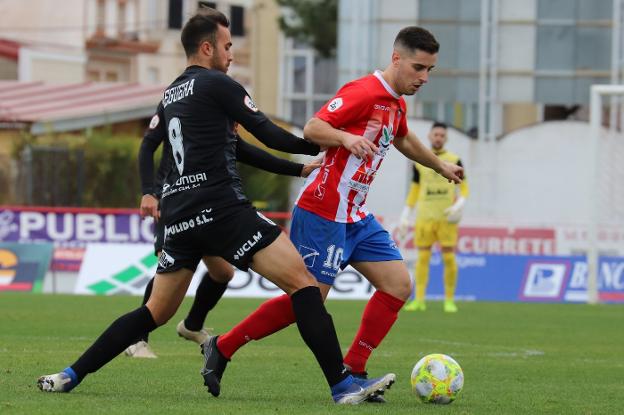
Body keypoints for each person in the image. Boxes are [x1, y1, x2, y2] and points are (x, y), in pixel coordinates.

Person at [37, 9, 395, 404]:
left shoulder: (172, 94)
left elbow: (237, 147)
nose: (231, 54)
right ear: (206, 48)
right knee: (304, 285)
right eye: (227, 46)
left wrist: (298, 168)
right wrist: (331, 140)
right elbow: (265, 131)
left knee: (154, 312)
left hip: (179, 216)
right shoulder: (218, 84)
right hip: (222, 208)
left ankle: (70, 374)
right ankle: (343, 386)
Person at [200, 26, 463, 404]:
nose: (423, 78)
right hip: (322, 211)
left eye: (429, 71)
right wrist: (345, 138)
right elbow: (313, 127)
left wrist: (438, 165)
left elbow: (403, 138)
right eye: (418, 68)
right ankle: (222, 347)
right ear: (396, 59)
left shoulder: (396, 104)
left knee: (398, 286)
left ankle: (355, 369)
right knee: (307, 301)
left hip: (355, 216)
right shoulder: (363, 92)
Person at [125, 122, 322, 358]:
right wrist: (149, 191)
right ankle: (137, 340)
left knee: (223, 274)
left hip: (205, 208)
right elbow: (148, 144)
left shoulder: (216, 117)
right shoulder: (178, 100)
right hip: (174, 202)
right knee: (167, 269)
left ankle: (192, 326)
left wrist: (299, 169)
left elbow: (245, 151)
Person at [398, 121, 469, 313]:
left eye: (442, 135)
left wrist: (459, 205)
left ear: (445, 138)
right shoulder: (420, 160)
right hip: (425, 217)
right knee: (422, 258)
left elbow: (463, 188)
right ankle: (419, 300)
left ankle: (449, 300)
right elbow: (414, 190)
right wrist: (405, 215)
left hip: (446, 218)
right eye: (435, 134)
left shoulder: (455, 159)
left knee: (449, 259)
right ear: (429, 136)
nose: (438, 138)